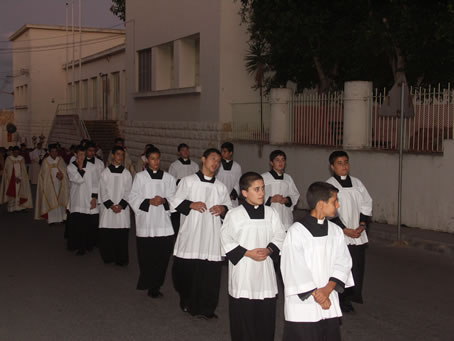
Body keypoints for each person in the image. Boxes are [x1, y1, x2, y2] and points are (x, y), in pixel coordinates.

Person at [281, 182, 353, 341]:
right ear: (321, 205)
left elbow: (344, 261)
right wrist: (317, 294)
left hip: (328, 299)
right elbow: (293, 267)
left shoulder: (336, 231)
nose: (338, 205)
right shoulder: (297, 232)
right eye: (335, 201)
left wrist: (327, 290)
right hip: (304, 304)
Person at [221, 172, 286, 341]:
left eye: (263, 188)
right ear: (244, 193)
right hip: (243, 272)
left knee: (265, 317)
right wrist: (247, 252)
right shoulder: (234, 215)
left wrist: (269, 250)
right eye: (256, 189)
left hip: (265, 272)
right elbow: (225, 238)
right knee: (243, 318)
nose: (262, 193)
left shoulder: (271, 213)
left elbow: (280, 234)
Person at [169, 148, 232, 319]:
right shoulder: (188, 182)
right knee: (185, 272)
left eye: (218, 161)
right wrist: (190, 204)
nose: (215, 164)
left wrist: (223, 208)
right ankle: (187, 300)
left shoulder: (220, 187)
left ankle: (207, 308)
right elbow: (174, 202)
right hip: (191, 234)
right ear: (203, 159)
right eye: (212, 159)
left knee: (210, 275)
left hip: (211, 236)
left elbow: (230, 208)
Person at [326, 151, 373, 313]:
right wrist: (345, 230)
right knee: (341, 267)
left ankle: (351, 295)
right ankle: (340, 298)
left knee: (356, 266)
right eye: (339, 163)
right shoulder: (329, 185)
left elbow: (367, 204)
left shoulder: (357, 183)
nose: (344, 166)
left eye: (346, 162)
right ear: (332, 167)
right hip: (340, 234)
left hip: (357, 234)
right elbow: (329, 211)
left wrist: (361, 225)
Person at [128, 146, 176, 298]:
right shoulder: (140, 177)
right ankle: (147, 281)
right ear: (147, 160)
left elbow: (175, 199)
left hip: (164, 225)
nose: (156, 162)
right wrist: (148, 201)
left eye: (158, 158)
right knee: (147, 256)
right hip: (147, 223)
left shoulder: (168, 178)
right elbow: (133, 197)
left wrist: (163, 200)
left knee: (162, 257)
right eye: (153, 159)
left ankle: (156, 285)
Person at [98, 146, 132, 266]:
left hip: (122, 209)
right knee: (108, 234)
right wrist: (111, 205)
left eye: (122, 155)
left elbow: (129, 191)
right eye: (118, 154)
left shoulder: (127, 173)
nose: (120, 157)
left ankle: (121, 258)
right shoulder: (105, 173)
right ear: (113, 155)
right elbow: (102, 191)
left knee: (121, 235)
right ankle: (108, 257)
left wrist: (121, 205)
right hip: (109, 209)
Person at [66, 145, 99, 255]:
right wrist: (80, 168)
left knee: (87, 224)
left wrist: (94, 197)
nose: (82, 157)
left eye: (83, 155)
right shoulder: (70, 167)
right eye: (79, 154)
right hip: (76, 199)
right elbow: (78, 180)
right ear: (75, 154)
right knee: (77, 224)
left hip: (87, 198)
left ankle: (87, 245)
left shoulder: (92, 167)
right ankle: (77, 245)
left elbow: (95, 183)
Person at [261, 150, 300, 231]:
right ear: (271, 163)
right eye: (277, 160)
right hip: (270, 215)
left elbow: (295, 194)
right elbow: (257, 195)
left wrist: (287, 200)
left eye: (283, 160)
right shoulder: (264, 178)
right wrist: (271, 199)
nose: (280, 162)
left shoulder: (288, 178)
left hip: (285, 216)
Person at [168, 143, 199, 235]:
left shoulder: (195, 165)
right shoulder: (174, 166)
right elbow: (171, 182)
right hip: (180, 196)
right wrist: (181, 182)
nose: (185, 152)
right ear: (179, 153)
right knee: (178, 223)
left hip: (192, 196)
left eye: (187, 150)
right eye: (183, 150)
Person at [34, 144, 69, 224]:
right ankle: (52, 219)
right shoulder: (46, 161)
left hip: (60, 184)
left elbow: (64, 170)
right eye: (52, 152)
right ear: (49, 152)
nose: (54, 153)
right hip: (49, 185)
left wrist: (62, 175)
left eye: (55, 151)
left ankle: (62, 218)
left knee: (60, 200)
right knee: (51, 200)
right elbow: (43, 174)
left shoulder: (60, 160)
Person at [0, 146, 33, 212]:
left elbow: (23, 170)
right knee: (13, 193)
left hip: (20, 179)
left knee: (20, 193)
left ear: (19, 152)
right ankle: (12, 208)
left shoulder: (21, 158)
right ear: (12, 152)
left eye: (17, 152)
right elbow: (7, 170)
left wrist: (20, 177)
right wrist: (14, 178)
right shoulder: (9, 159)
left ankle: (20, 207)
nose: (16, 153)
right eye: (15, 152)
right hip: (12, 180)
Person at [85, 141, 104, 249]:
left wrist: (95, 196)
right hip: (84, 193)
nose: (92, 153)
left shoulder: (100, 163)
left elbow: (101, 180)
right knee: (85, 219)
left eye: (93, 151)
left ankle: (95, 240)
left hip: (96, 194)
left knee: (95, 219)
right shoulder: (81, 162)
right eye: (90, 151)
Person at [216, 142, 242, 208]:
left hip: (231, 198)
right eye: (221, 151)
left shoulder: (237, 166)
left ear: (230, 153)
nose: (222, 153)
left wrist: (232, 196)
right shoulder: (217, 165)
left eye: (225, 151)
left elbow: (238, 183)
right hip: (218, 196)